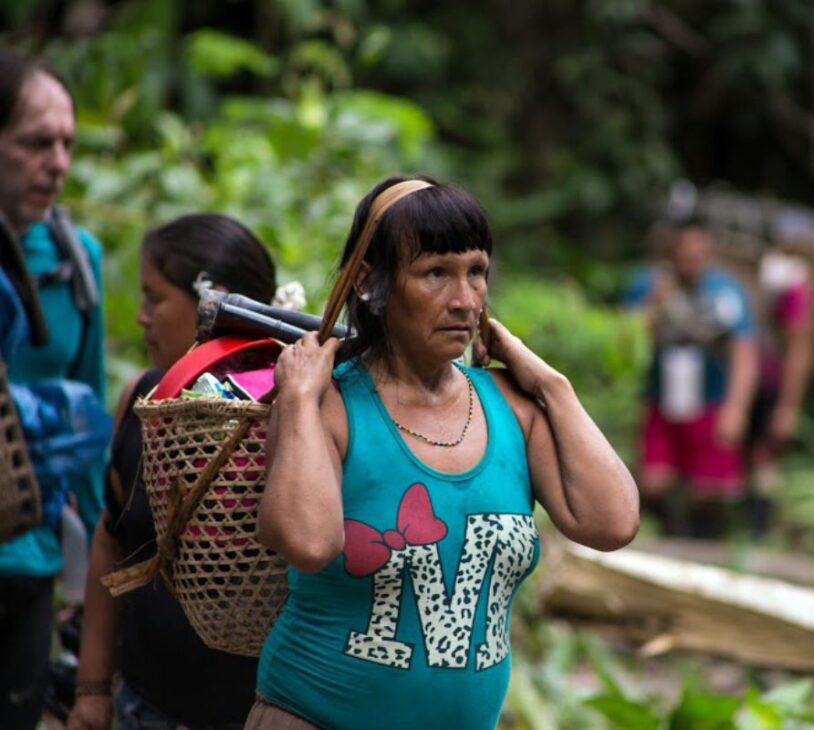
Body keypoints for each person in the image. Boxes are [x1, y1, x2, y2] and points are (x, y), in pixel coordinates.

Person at [249, 175, 639, 730]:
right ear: (370, 284)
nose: (463, 300)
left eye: (476, 272)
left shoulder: (513, 408)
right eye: (435, 273)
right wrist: (297, 398)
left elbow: (613, 521)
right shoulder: (328, 405)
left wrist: (555, 386)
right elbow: (308, 544)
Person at [66, 213, 279, 730]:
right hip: (145, 705)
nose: (141, 317)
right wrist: (93, 691)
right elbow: (111, 540)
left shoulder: (288, 415)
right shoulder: (143, 401)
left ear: (215, 302)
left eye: (154, 298)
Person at [0, 47, 107, 730]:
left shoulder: (77, 263)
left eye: (67, 143)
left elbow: (90, 426)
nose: (58, 162)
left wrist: (95, 586)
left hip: (31, 559)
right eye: (37, 142)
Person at [624, 220, 759, 537]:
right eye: (684, 256)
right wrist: (653, 304)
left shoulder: (726, 293)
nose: (691, 263)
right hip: (661, 397)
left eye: (698, 256)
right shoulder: (648, 285)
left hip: (710, 398)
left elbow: (745, 352)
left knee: (711, 492)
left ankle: (706, 545)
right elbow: (625, 340)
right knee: (653, 482)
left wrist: (736, 408)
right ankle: (664, 537)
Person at [746, 208, 814, 536]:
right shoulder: (770, 274)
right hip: (749, 374)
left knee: (764, 453)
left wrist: (788, 406)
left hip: (768, 378)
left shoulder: (794, 283)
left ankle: (756, 528)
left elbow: (799, 345)